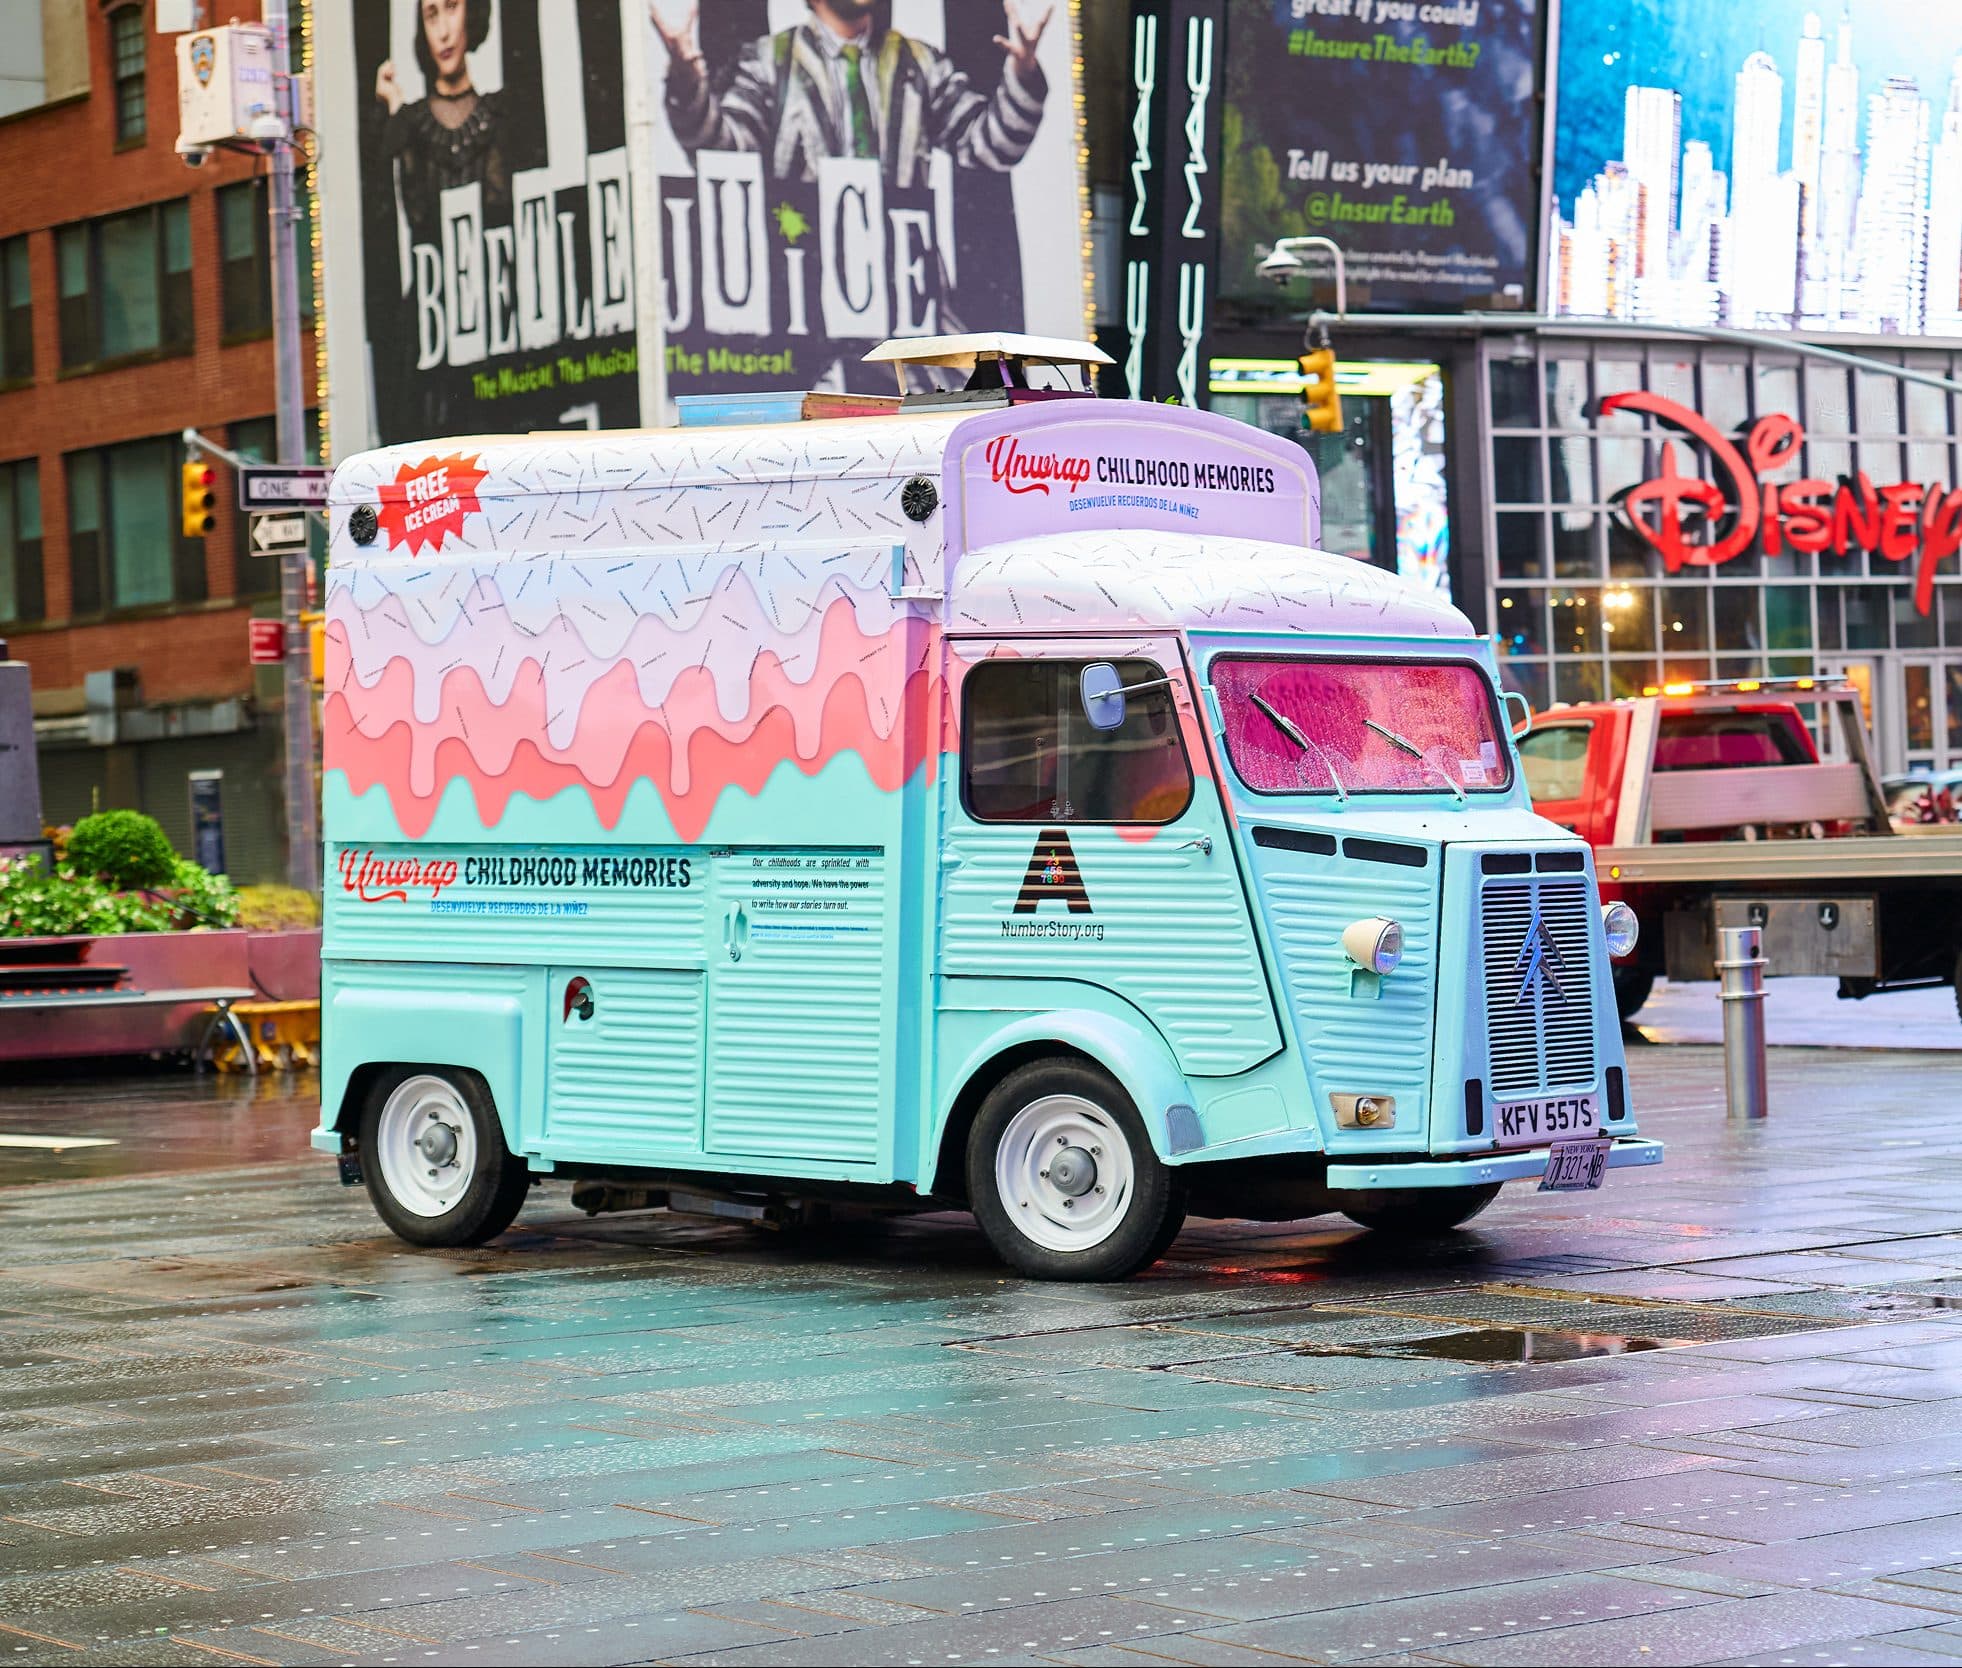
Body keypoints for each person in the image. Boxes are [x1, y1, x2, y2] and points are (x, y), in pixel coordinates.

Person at [651, 0, 1053, 191]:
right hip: (800, 293)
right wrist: (685, 82)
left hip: (905, 297)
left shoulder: (919, 64)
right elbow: (723, 152)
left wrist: (1023, 74)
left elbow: (989, 150)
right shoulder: (767, 62)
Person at [369, 0, 511, 245]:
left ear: (470, 12)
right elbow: (415, 219)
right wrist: (394, 105)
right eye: (431, 16)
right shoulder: (410, 123)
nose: (443, 32)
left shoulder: (498, 113)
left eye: (452, 7)